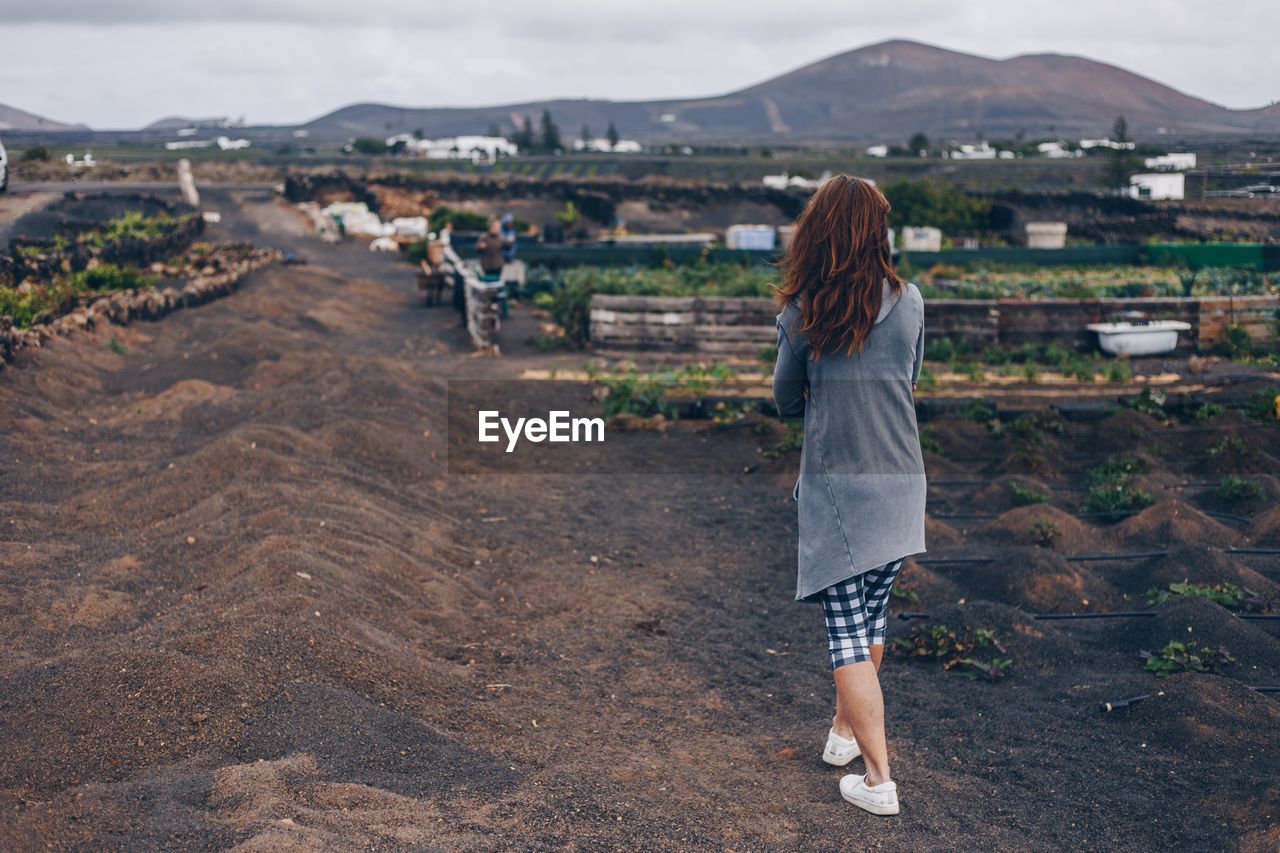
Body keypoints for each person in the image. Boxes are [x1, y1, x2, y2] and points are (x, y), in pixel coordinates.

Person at [771, 175, 926, 817]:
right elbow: (909, 378)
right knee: (871, 622)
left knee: (845, 638)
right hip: (903, 485)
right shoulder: (910, 299)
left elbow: (784, 402)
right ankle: (841, 737)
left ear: (820, 233)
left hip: (841, 492)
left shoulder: (805, 313)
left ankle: (879, 780)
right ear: (876, 233)